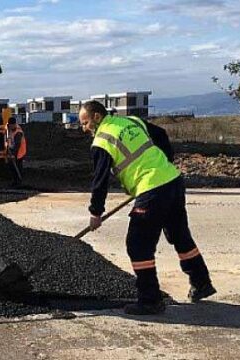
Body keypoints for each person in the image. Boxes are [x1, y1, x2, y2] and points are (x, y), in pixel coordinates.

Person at [79, 100, 215, 315]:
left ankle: (150, 299)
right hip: (172, 181)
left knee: (138, 244)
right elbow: (160, 134)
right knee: (180, 235)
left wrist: (96, 212)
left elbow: (100, 180)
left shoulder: (102, 140)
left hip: (152, 189)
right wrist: (164, 164)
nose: (84, 128)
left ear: (97, 117)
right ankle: (201, 283)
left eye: (85, 123)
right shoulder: (130, 121)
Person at [6, 117, 27, 187]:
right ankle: (15, 181)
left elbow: (17, 145)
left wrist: (14, 155)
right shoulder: (9, 129)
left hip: (19, 152)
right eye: (10, 125)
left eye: (12, 125)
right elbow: (9, 140)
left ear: (14, 124)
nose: (11, 127)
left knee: (18, 167)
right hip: (12, 151)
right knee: (11, 167)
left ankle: (19, 181)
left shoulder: (18, 132)